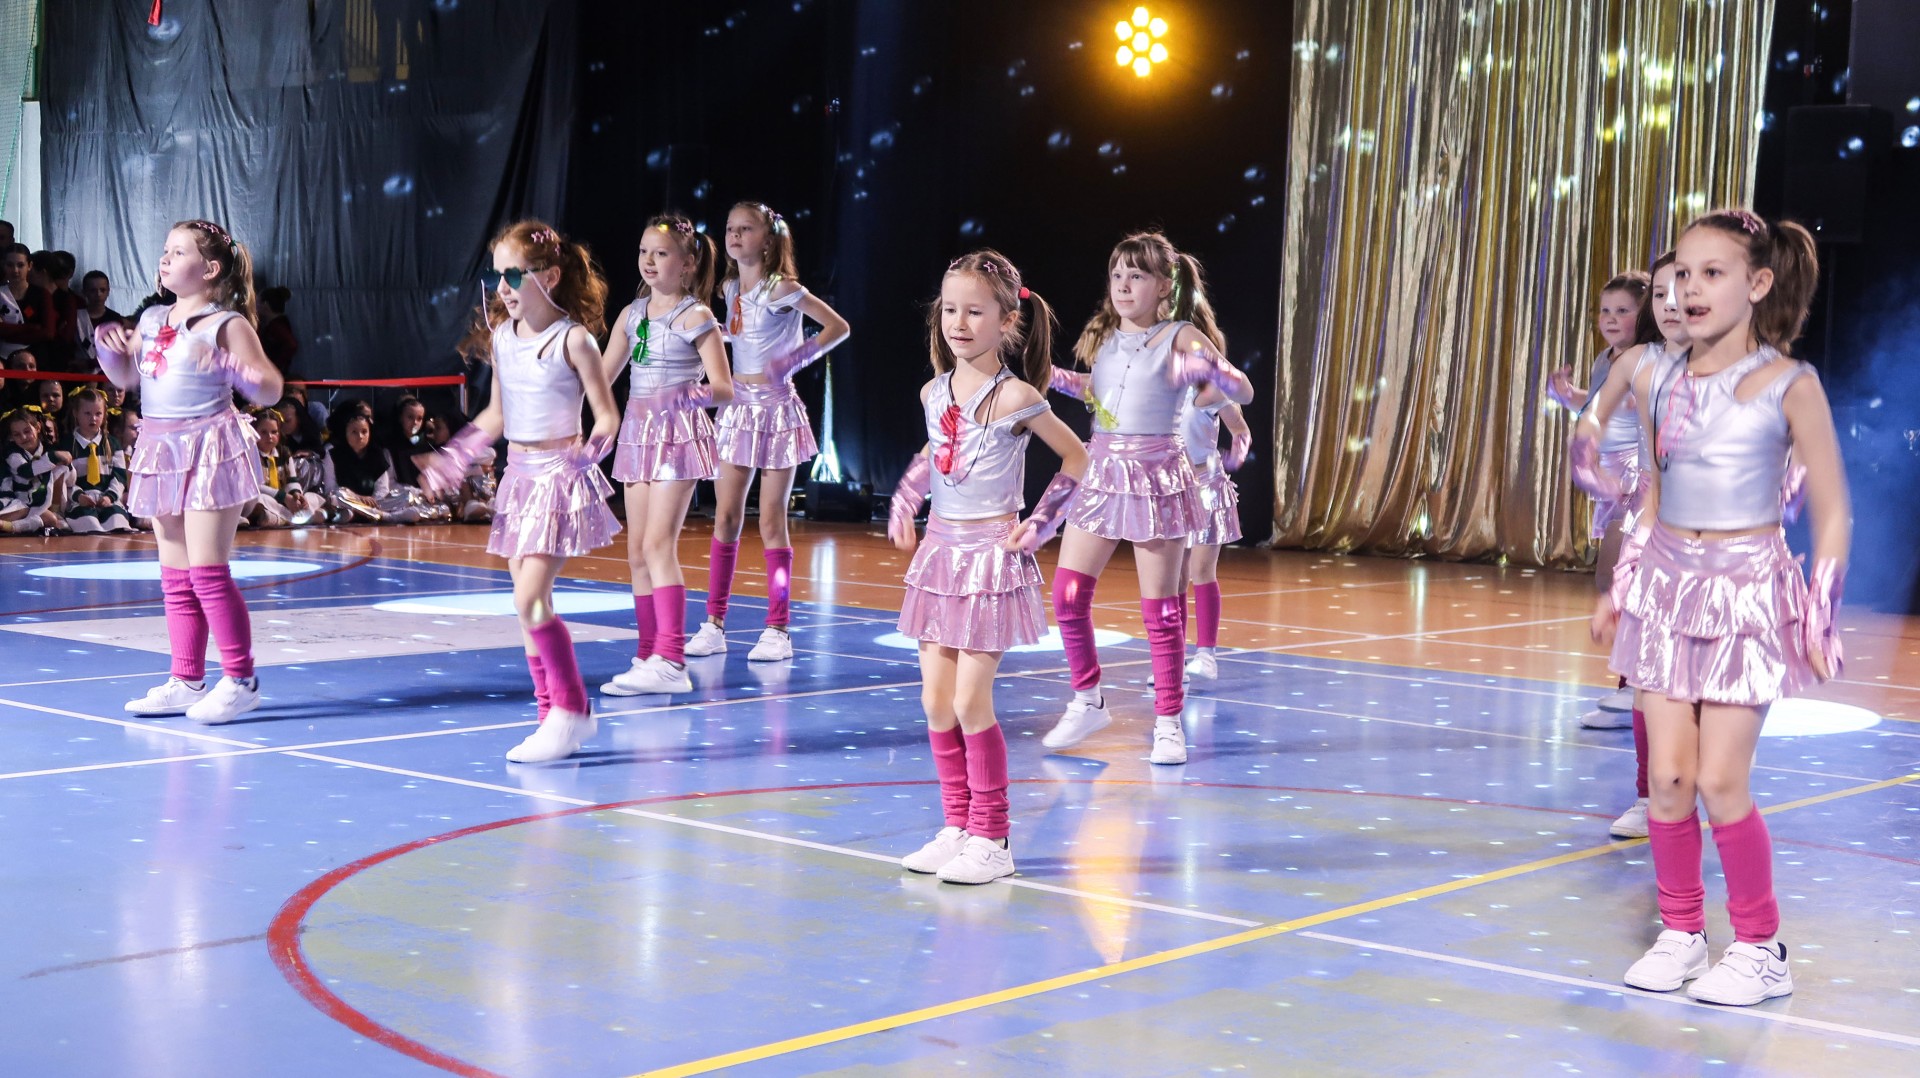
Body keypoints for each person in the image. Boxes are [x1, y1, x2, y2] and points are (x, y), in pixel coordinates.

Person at [1583, 209, 1848, 1006]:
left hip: (1746, 594)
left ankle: (1762, 949)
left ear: (1758, 283)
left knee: (1721, 780)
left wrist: (1820, 602)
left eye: (1711, 273)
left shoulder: (1791, 385)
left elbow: (1833, 507)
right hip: (1667, 589)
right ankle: (1681, 933)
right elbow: (1655, 495)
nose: (1688, 290)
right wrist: (1626, 582)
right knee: (1668, 778)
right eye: (1680, 275)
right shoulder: (1656, 378)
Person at [888, 250, 1086, 884]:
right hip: (940, 555)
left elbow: (1078, 458)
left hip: (989, 560)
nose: (959, 322)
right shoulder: (932, 391)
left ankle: (993, 837)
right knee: (935, 701)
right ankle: (957, 825)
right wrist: (905, 499)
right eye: (949, 309)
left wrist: (1042, 522)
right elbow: (931, 453)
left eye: (974, 311)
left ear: (1006, 320)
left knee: (972, 700)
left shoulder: (1017, 396)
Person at [1041, 232, 1253, 765]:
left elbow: (1242, 389)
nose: (1123, 285)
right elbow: (1101, 398)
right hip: (1103, 470)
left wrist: (1211, 379)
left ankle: (1167, 722)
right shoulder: (1109, 341)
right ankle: (1087, 699)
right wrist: (1050, 377)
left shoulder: (1179, 335)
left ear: (1163, 286)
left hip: (1157, 475)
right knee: (1067, 595)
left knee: (1161, 611)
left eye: (1136, 275)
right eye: (1117, 274)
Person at [416, 220, 621, 763]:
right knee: (532, 605)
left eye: (513, 275)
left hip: (559, 479)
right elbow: (497, 415)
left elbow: (606, 417)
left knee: (528, 599)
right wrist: (455, 456)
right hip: (520, 479)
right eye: (496, 275)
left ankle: (572, 710)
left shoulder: (573, 340)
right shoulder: (504, 338)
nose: (502, 287)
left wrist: (589, 453)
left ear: (549, 276)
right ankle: (549, 714)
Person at [94, 219, 285, 724]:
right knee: (176, 575)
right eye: (165, 250)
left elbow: (270, 388)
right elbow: (130, 377)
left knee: (207, 570)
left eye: (178, 252)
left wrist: (236, 369)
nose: (165, 258)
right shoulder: (152, 317)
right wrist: (109, 352)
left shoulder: (227, 324)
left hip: (209, 448)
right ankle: (186, 679)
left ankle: (241, 679)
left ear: (210, 269)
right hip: (161, 447)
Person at [689, 202, 851, 662]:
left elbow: (837, 327)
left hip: (777, 410)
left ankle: (778, 628)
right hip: (738, 408)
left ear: (768, 240)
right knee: (725, 517)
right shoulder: (729, 288)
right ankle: (713, 623)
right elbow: (744, 337)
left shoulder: (783, 288)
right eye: (730, 228)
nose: (735, 235)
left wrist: (794, 360)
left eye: (746, 228)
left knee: (771, 520)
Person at [600, 214, 734, 697]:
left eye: (661, 253)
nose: (649, 261)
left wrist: (685, 396)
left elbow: (723, 388)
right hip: (638, 433)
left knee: (659, 545)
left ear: (688, 263)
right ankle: (648, 654)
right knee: (637, 551)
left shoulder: (696, 317)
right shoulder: (632, 314)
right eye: (644, 252)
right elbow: (602, 376)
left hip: (676, 434)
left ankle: (672, 659)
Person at [1550, 271, 1654, 729]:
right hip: (1611, 475)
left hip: (1633, 477)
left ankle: (1637, 688)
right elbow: (1597, 406)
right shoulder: (1605, 359)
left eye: (1623, 311)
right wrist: (1567, 396)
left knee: (1619, 579)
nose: (1610, 319)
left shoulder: (1644, 361)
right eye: (1605, 310)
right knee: (1611, 581)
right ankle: (1632, 686)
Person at [1178, 396, 1252, 679]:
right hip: (1173, 489)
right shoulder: (1164, 388)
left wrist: (1237, 455)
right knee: (1174, 578)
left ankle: (1206, 654)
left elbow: (1240, 429)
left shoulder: (1208, 391)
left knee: (1201, 569)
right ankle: (1173, 657)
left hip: (1207, 487)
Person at [55, 388, 133, 533]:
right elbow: (65, 480)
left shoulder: (113, 444)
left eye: (98, 414)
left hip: (108, 500)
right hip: (80, 501)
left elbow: (120, 476)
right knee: (88, 524)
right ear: (76, 413)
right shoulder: (66, 445)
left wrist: (110, 497)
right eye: (87, 413)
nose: (93, 418)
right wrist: (79, 496)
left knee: (117, 521)